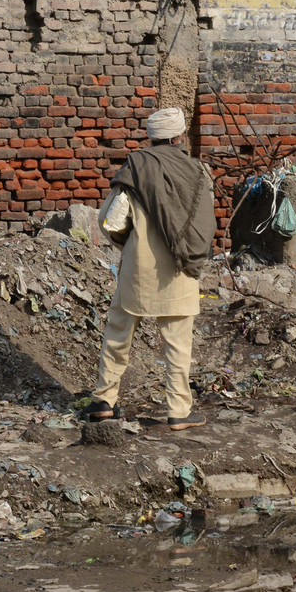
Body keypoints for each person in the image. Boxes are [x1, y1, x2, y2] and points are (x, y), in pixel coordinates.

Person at [83, 107, 217, 431]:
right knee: (178, 344)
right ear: (179, 136)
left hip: (138, 268)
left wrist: (128, 244)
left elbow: (109, 220)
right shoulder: (198, 172)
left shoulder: (136, 167)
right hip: (179, 269)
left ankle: (104, 401)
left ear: (152, 137)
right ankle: (178, 412)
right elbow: (206, 223)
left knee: (117, 333)